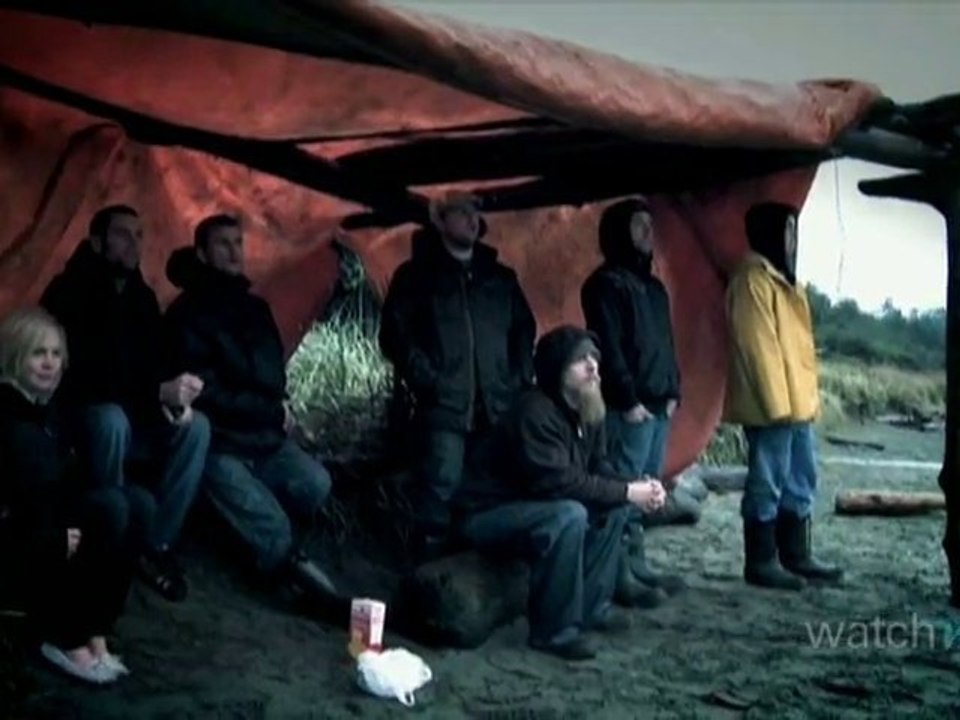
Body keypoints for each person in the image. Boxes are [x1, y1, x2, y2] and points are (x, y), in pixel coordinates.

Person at [455, 326, 666, 660]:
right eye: (581, 361)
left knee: (613, 507)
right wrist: (627, 491)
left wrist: (638, 486)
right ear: (556, 369)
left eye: (595, 358)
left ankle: (592, 609)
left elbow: (600, 467)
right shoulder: (534, 411)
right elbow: (559, 484)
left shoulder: (589, 406)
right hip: (487, 515)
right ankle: (554, 632)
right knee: (571, 513)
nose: (593, 367)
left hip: (537, 505)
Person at [163, 214, 341, 606]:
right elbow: (206, 393)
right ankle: (291, 579)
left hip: (264, 439)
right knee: (271, 525)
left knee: (315, 484)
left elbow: (273, 380)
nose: (233, 252)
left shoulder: (255, 310)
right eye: (223, 244)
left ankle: (256, 540)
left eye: (237, 243)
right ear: (202, 252)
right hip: (222, 445)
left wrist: (270, 413)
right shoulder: (187, 315)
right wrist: (268, 411)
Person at [40, 205, 209, 602]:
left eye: (139, 235)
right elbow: (82, 374)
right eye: (123, 235)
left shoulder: (142, 298)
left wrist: (176, 398)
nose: (135, 244)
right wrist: (154, 392)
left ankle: (154, 546)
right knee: (110, 418)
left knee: (196, 427)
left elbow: (158, 362)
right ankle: (112, 536)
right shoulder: (69, 291)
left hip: (139, 415)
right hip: (81, 417)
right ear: (98, 241)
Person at [0, 307, 155, 684]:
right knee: (110, 509)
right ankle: (64, 637)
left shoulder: (50, 412)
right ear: (15, 357)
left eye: (55, 353)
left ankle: (95, 630)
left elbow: (66, 482)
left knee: (138, 503)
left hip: (50, 526)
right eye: (38, 353)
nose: (49, 363)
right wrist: (56, 531)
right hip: (18, 542)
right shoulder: (7, 418)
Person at [379, 191, 536, 557]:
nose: (472, 220)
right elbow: (395, 335)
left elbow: (524, 329)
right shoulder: (417, 276)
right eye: (462, 212)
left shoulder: (500, 277)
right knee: (439, 487)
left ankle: (476, 567)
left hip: (496, 404)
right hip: (445, 406)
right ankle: (430, 572)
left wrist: (516, 378)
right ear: (440, 219)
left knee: (489, 485)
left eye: (475, 212)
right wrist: (429, 380)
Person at [725, 201, 843, 591]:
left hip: (796, 406)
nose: (793, 240)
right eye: (788, 231)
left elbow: (798, 351)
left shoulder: (783, 279)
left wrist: (804, 405)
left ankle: (796, 555)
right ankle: (761, 561)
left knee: (801, 479)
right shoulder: (752, 279)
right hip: (772, 407)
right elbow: (758, 349)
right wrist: (778, 407)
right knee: (767, 481)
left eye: (795, 231)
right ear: (771, 234)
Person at [581, 198, 686, 603]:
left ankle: (636, 565)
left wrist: (674, 389)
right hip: (631, 408)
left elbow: (665, 342)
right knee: (624, 488)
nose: (647, 232)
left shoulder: (654, 286)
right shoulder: (605, 284)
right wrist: (626, 399)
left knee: (649, 489)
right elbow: (607, 345)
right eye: (638, 225)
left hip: (659, 405)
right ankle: (616, 575)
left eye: (649, 224)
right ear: (618, 231)